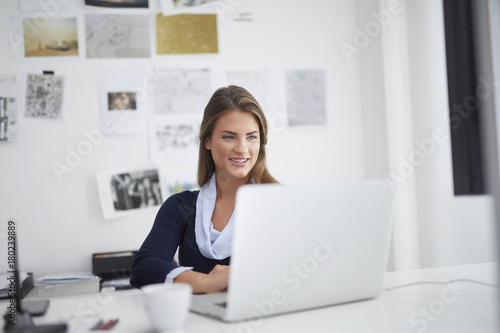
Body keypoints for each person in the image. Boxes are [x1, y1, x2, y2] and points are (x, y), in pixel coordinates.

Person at [130, 85, 278, 293]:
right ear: (207, 141)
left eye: (251, 137)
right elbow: (142, 268)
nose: (242, 148)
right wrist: (205, 282)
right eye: (229, 137)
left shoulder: (279, 203)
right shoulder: (181, 207)